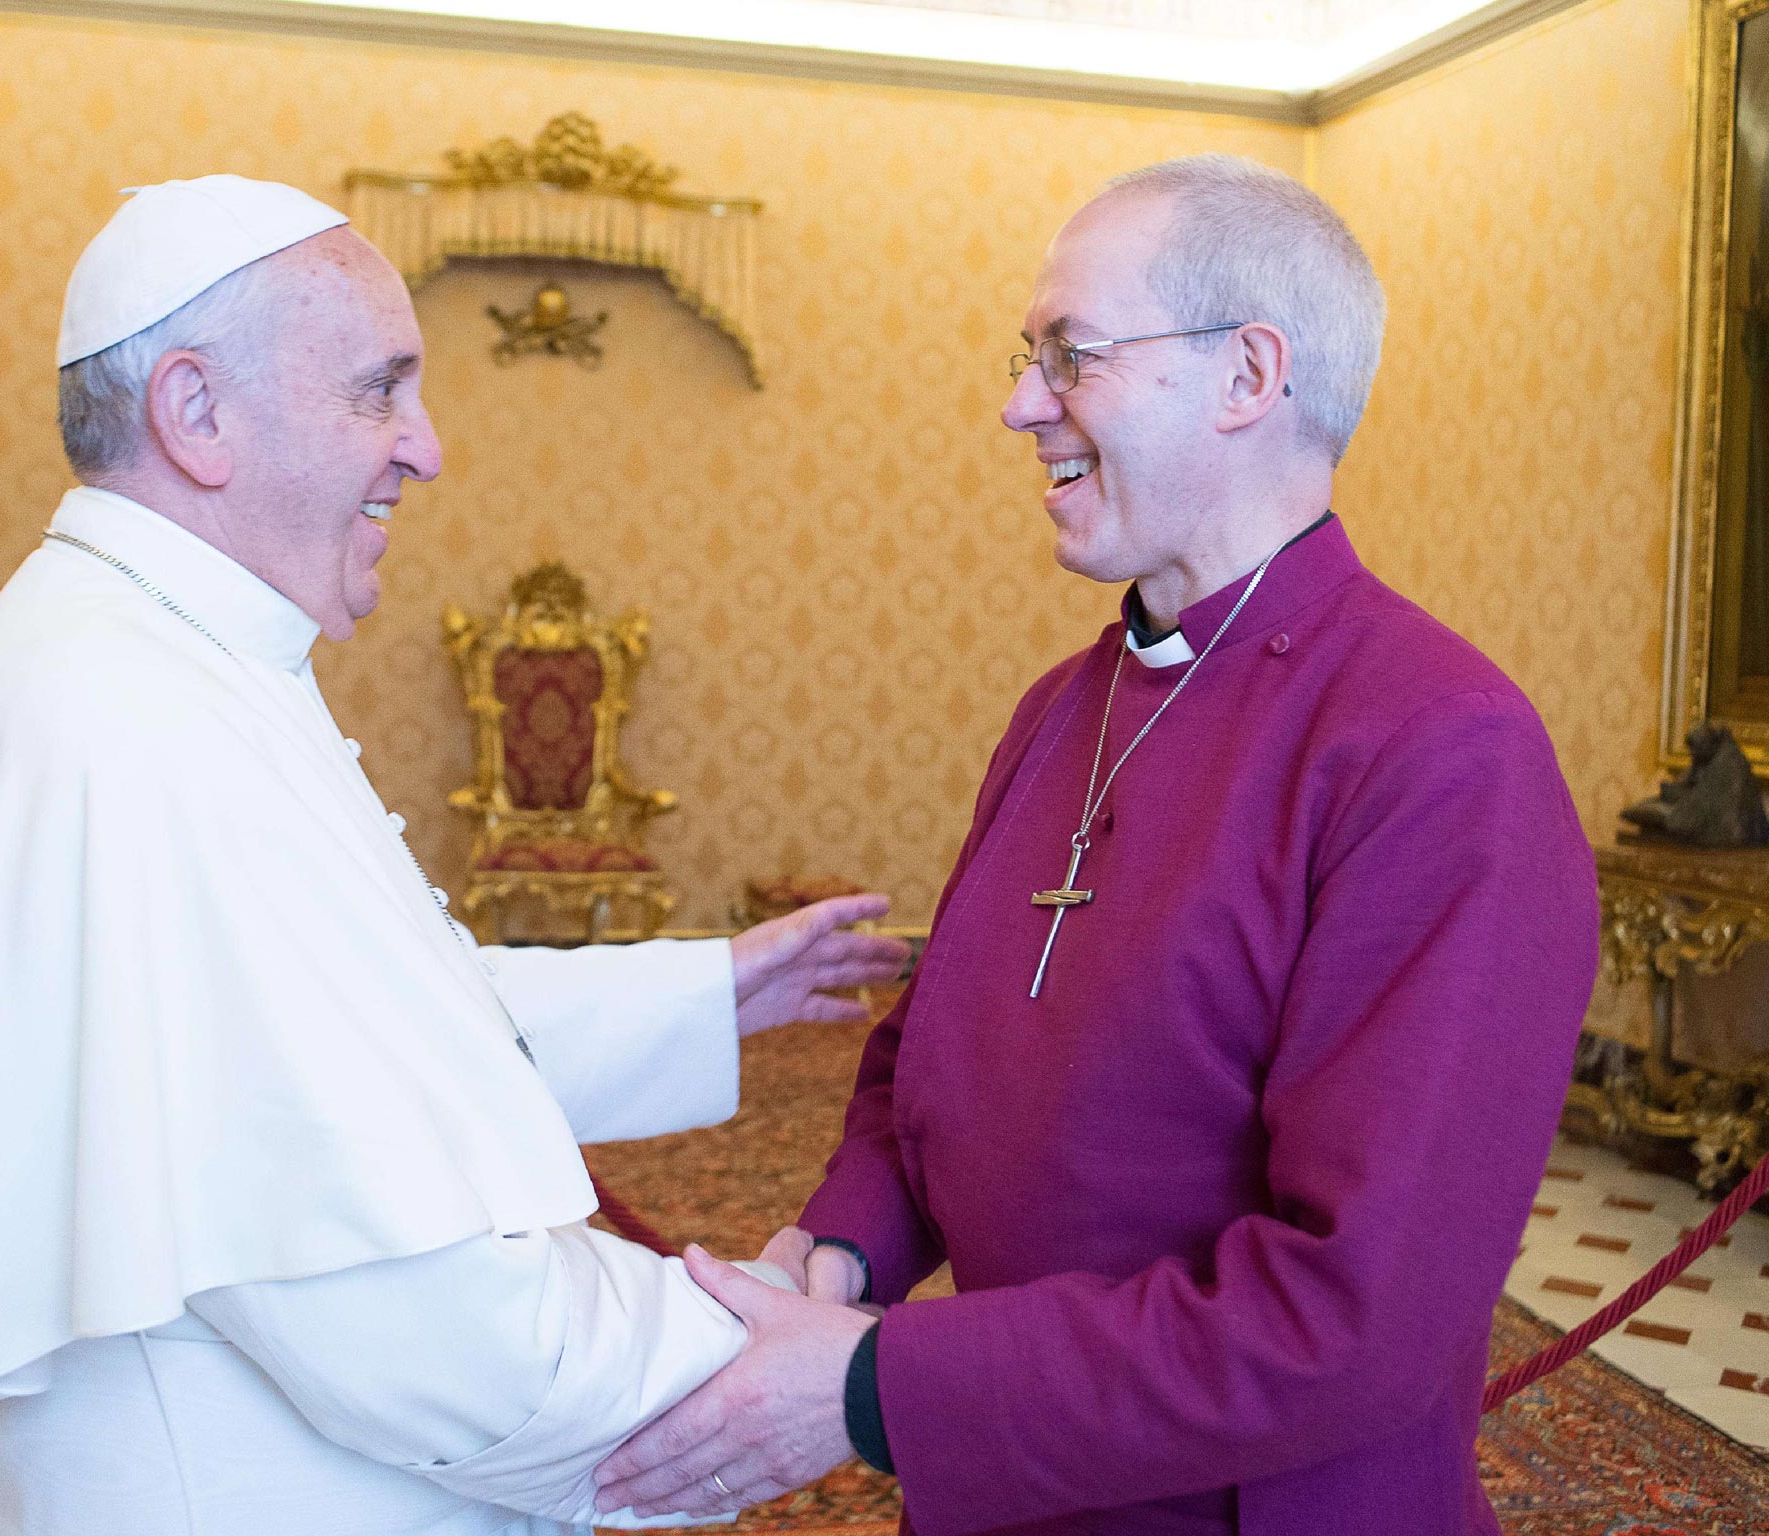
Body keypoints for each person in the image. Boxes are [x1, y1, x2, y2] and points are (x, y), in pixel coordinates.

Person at [0, 174, 909, 1536]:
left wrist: (702, 989)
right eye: (378, 388)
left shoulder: (134, 650)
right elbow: (399, 1304)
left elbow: (371, 1016)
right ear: (196, 413)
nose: (426, 448)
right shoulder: (146, 732)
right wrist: (770, 1352)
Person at [596, 154, 1599, 1536]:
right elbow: (929, 1063)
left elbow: (1354, 1317)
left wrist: (878, 1386)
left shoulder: (1440, 749)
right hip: (1002, 1483)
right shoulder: (1062, 708)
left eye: (1071, 355)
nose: (1019, 406)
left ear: (1249, 377)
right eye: (1027, 357)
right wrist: (841, 1251)